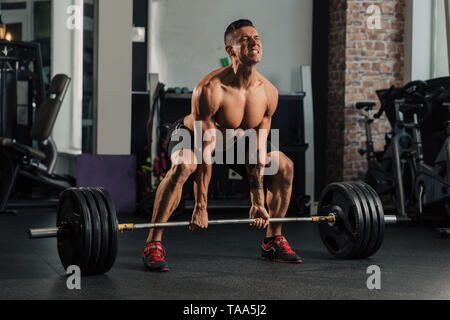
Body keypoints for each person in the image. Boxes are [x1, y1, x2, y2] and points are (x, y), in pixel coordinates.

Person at [142, 19, 302, 272]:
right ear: (230, 51)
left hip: (236, 144)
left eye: (256, 37)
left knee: (284, 165)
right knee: (184, 166)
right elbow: (206, 151)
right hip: (192, 137)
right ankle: (153, 243)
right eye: (245, 39)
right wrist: (201, 207)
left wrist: (258, 199)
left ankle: (272, 239)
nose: (254, 42)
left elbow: (258, 150)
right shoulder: (210, 89)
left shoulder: (269, 92)